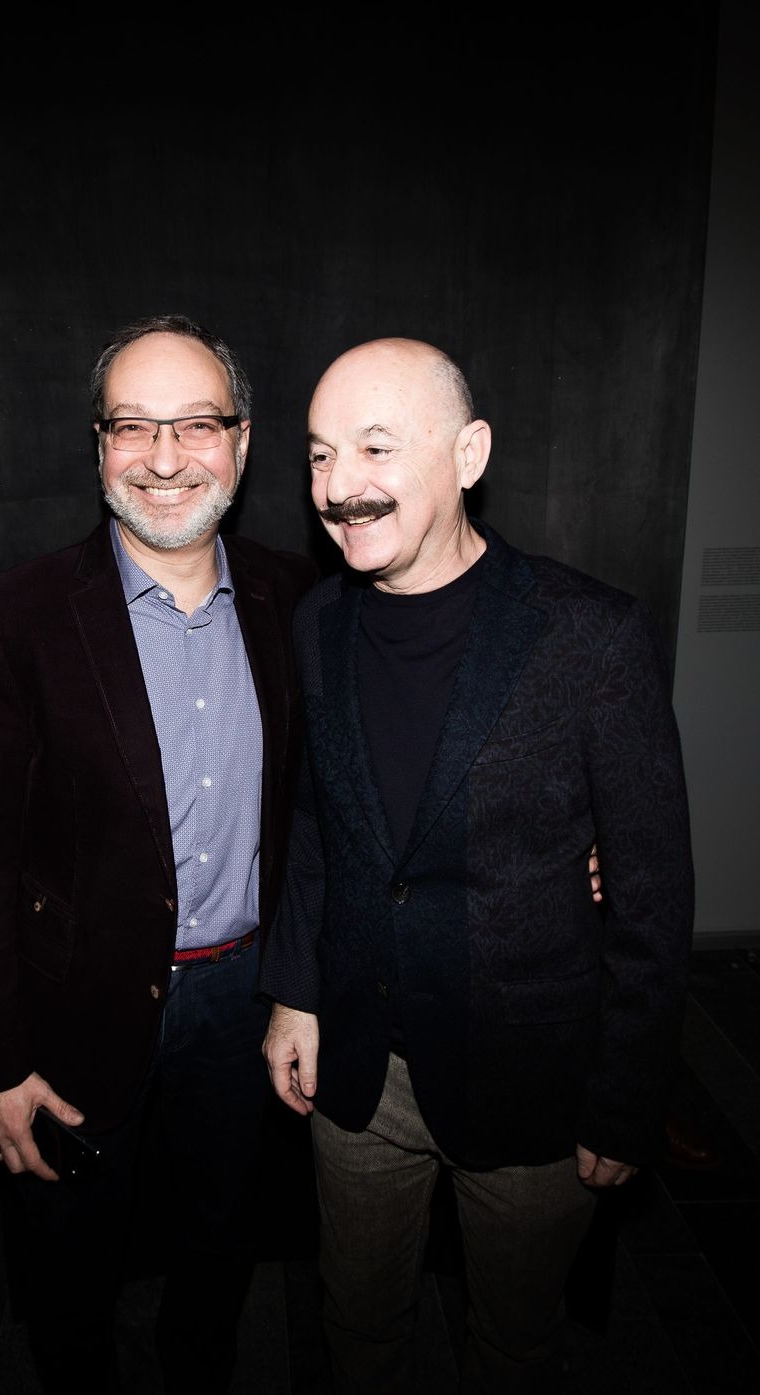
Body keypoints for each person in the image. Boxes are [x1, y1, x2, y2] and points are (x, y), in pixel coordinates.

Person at [260, 336, 695, 1394]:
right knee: (358, 1327)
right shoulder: (318, 623)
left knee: (517, 1342)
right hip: (362, 1074)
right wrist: (294, 994)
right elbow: (318, 823)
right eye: (319, 455)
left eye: (375, 447)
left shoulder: (592, 636)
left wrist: (626, 1097)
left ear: (469, 455)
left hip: (534, 1084)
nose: (340, 486)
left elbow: (652, 893)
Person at [0, 314, 317, 1393]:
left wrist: (551, 837)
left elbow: (357, 786)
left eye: (195, 424)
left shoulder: (301, 600)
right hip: (74, 1010)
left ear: (242, 442)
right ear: (98, 444)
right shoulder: (13, 617)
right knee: (68, 1261)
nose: (164, 456)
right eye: (132, 426)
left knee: (222, 1243)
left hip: (249, 1002)